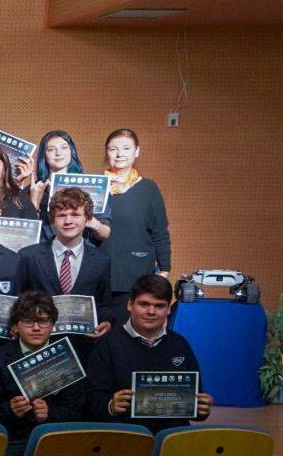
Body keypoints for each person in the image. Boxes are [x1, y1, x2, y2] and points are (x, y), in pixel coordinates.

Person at [85, 274, 212, 434]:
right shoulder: (107, 344)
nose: (151, 311)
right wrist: (110, 406)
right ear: (130, 304)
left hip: (170, 435)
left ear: (168, 310)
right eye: (144, 304)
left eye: (159, 306)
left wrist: (201, 409)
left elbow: (195, 399)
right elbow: (90, 398)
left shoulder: (180, 345)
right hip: (123, 434)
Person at [0, 291, 86, 456]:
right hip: (11, 442)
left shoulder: (67, 356)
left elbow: (79, 409)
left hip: (56, 440)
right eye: (28, 321)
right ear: (16, 326)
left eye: (44, 321)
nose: (36, 328)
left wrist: (50, 414)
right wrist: (10, 410)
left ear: (53, 325)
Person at [17, 187, 114, 335]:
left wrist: (106, 321)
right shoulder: (29, 256)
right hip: (39, 341)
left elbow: (105, 305)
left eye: (75, 215)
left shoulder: (101, 260)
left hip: (84, 343)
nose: (68, 221)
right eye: (62, 215)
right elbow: (17, 300)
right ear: (53, 219)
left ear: (87, 218)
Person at [90, 128, 171, 300]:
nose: (119, 154)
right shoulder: (95, 186)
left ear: (137, 151)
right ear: (107, 153)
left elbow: (160, 232)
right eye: (113, 149)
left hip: (136, 273)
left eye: (126, 148)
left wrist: (164, 270)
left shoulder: (148, 188)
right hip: (98, 271)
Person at [30, 129, 85, 219]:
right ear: (44, 155)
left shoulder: (88, 184)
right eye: (51, 150)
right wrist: (34, 203)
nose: (58, 153)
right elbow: (28, 228)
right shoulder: (34, 189)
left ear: (72, 151)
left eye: (64, 148)